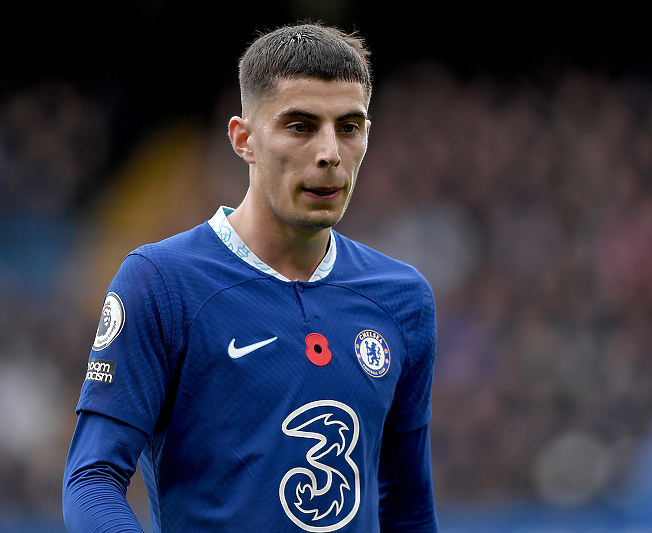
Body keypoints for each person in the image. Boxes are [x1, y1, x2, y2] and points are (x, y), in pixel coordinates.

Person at [62, 23, 438, 533]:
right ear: (244, 139)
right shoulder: (162, 282)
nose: (328, 152)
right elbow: (92, 478)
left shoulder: (403, 299)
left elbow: (409, 508)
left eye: (348, 127)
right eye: (301, 126)